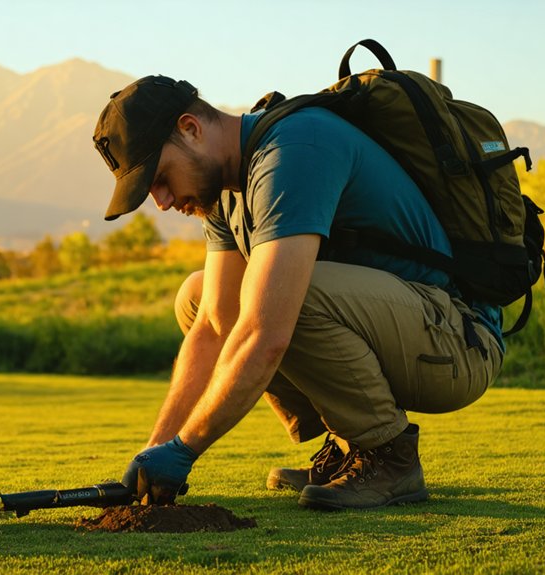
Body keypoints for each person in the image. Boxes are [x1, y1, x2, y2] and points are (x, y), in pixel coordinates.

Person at [93, 75, 503, 510]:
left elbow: (266, 333)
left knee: (280, 298)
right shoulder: (226, 190)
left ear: (191, 128)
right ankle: (347, 446)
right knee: (197, 296)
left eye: (159, 177)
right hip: (403, 328)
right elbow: (214, 325)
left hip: (458, 340)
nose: (160, 201)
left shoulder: (293, 150)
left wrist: (186, 450)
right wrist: (155, 451)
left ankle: (388, 455)